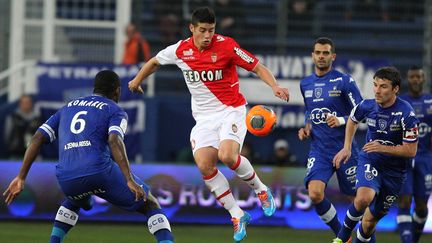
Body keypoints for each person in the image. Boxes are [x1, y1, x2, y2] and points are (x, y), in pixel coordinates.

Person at [128, 7, 289, 242]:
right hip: (203, 118)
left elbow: (257, 66)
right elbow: (154, 62)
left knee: (228, 156)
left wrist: (274, 86)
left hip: (231, 110)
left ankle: (261, 189)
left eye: (211, 30)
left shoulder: (227, 46)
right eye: (202, 30)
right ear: (191, 28)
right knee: (204, 165)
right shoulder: (180, 50)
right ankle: (237, 214)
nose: (207, 35)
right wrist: (136, 79)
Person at [3, 70, 174, 243]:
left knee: (76, 200)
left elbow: (37, 138)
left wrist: (21, 177)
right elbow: (114, 140)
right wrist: (129, 179)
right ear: (117, 91)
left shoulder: (67, 107)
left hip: (66, 178)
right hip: (99, 172)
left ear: (95, 88)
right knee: (150, 203)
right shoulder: (115, 110)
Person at [332, 67, 419, 243]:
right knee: (364, 198)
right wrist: (347, 147)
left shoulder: (406, 113)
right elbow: (352, 119)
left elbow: (411, 151)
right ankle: (341, 238)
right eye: (375, 85)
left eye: (383, 86)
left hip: (395, 172)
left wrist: (382, 147)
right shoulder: (367, 106)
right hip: (370, 160)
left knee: (369, 223)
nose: (377, 90)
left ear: (395, 89)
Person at [298, 37, 363, 238]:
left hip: (345, 148)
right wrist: (307, 127)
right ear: (312, 55)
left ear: (333, 56)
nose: (321, 56)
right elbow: (310, 112)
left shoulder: (344, 81)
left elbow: (361, 110)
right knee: (315, 193)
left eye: (326, 53)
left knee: (358, 200)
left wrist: (342, 121)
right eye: (318, 52)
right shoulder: (305, 83)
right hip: (320, 149)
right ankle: (344, 236)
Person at [396, 66, 432, 243]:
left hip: (425, 158)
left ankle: (413, 239)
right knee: (404, 200)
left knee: (421, 208)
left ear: (424, 79)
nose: (416, 80)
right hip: (404, 157)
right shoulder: (400, 102)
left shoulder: (431, 102)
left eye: (419, 76)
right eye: (412, 77)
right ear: (407, 80)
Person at [4, 94, 42, 159]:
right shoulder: (13, 117)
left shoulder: (37, 118)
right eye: (24, 102)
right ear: (20, 104)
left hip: (33, 153)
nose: (26, 104)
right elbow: (7, 135)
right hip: (16, 153)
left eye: (28, 102)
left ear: (31, 103)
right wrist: (13, 145)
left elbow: (41, 136)